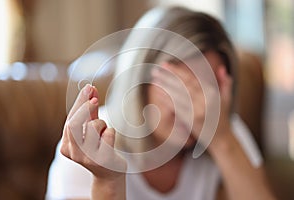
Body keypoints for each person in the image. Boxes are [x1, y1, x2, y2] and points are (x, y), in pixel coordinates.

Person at [46, 6, 276, 200]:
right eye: (180, 84)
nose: (196, 105)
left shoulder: (225, 129)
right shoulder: (92, 141)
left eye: (208, 88)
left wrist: (223, 140)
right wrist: (108, 181)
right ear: (139, 79)